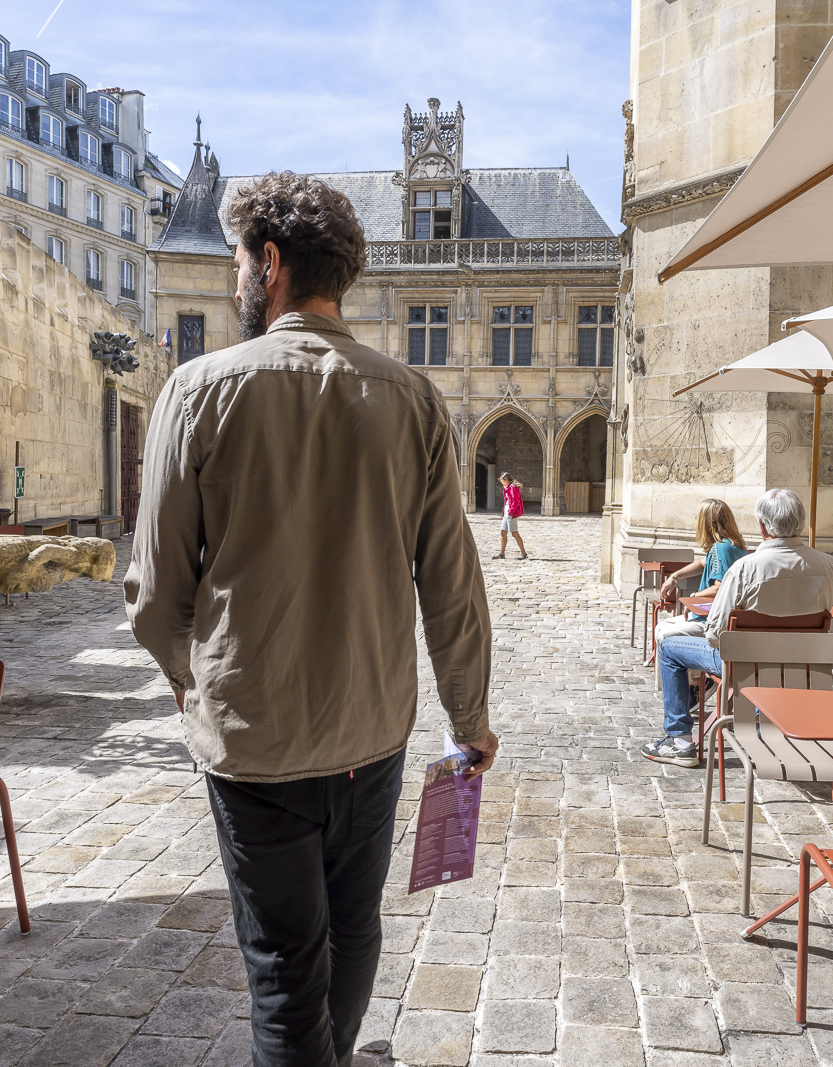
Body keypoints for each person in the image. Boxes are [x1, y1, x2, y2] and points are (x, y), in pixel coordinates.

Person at [125, 171, 497, 1067]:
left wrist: (192, 678)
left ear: (272, 263)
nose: (232, 282)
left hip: (253, 737)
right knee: (354, 929)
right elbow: (451, 582)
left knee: (285, 964)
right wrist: (470, 718)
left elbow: (152, 592)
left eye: (236, 263)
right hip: (372, 728)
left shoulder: (198, 390)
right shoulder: (411, 399)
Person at [642, 488, 833, 767]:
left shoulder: (744, 569)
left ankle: (680, 741)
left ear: (763, 526)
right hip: (806, 667)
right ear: (800, 522)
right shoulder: (828, 565)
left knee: (669, 647)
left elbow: (716, 635)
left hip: (749, 666)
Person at [651, 499, 749, 652]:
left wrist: (694, 596)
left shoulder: (720, 549)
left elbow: (720, 588)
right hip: (723, 618)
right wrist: (674, 577)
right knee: (661, 627)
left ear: (707, 523)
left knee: (664, 634)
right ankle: (694, 676)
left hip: (711, 620)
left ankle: (692, 675)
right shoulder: (734, 546)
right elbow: (704, 563)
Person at [493, 472, 528, 560]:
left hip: (511, 513)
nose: (501, 482)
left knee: (514, 533)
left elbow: (515, 501)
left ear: (506, 480)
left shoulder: (513, 487)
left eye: (502, 480)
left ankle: (523, 553)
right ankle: (502, 554)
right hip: (507, 512)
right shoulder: (507, 487)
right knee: (503, 532)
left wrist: (510, 512)